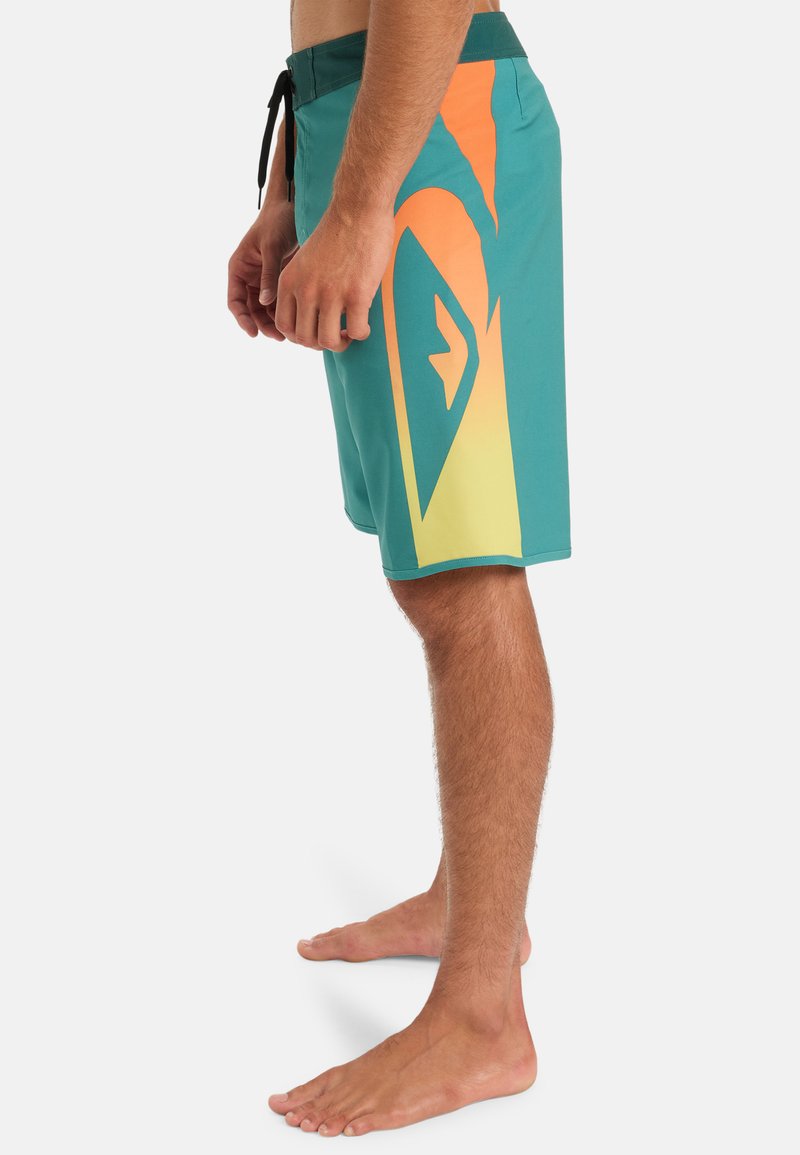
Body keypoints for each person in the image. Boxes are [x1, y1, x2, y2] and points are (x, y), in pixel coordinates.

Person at [227, 0, 570, 1136]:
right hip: (366, 113)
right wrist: (296, 185)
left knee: (465, 577)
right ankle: (468, 905)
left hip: (436, 143)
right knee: (425, 562)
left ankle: (482, 1017)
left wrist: (364, 197)